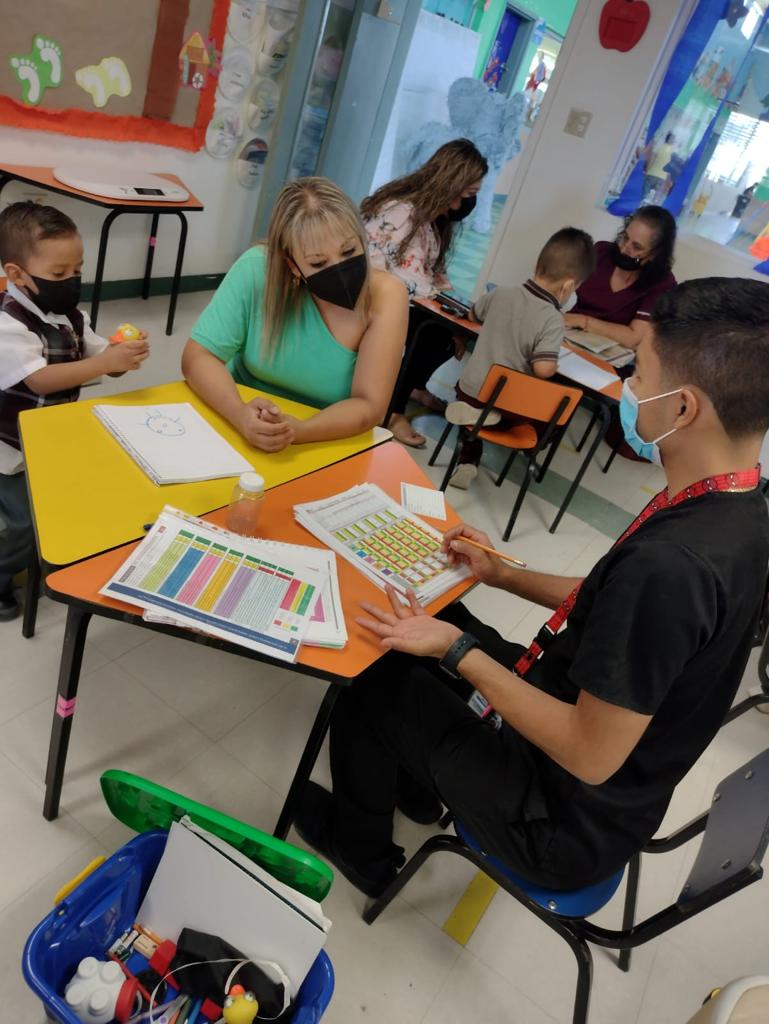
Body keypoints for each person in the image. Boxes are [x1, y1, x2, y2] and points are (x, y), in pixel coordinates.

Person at [294, 276, 769, 899]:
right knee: (448, 614)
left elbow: (589, 752)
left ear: (683, 409)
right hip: (588, 745)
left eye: (640, 374)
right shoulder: (740, 506)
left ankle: (362, 851)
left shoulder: (673, 567)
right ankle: (419, 781)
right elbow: (617, 603)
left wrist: (455, 652)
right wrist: (503, 573)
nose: (628, 389)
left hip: (558, 819)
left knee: (377, 672)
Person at [0, 202, 149, 621]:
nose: (72, 281)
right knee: (19, 522)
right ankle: (2, 574)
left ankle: (44, 556)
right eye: (59, 273)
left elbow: (98, 356)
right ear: (17, 274)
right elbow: (39, 380)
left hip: (50, 438)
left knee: (57, 504)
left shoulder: (70, 316)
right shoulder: (8, 325)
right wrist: (104, 364)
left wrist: (121, 355)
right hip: (8, 450)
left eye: (78, 270)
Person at [183, 177, 407, 452]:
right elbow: (198, 357)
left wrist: (299, 431)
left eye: (349, 250)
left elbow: (369, 406)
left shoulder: (387, 295)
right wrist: (240, 414)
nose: (339, 268)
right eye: (318, 262)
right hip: (237, 419)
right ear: (292, 265)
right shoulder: (255, 270)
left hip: (326, 437)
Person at [445, 227, 596, 489]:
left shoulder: (501, 293)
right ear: (569, 286)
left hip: (470, 391)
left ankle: (468, 459)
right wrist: (555, 362)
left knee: (471, 412)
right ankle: (507, 430)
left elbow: (473, 315)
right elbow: (543, 369)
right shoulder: (552, 319)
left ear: (537, 265)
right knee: (545, 413)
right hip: (507, 404)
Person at [361, 140, 488, 447]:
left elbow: (433, 272)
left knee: (449, 335)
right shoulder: (402, 212)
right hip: (369, 297)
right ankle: (392, 410)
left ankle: (414, 387)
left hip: (396, 297)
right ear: (450, 184)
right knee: (431, 333)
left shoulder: (431, 221)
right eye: (466, 195)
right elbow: (412, 282)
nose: (464, 205)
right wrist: (449, 315)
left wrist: (456, 310)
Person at [564, 205, 677, 351]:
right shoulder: (601, 252)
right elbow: (560, 283)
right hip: (569, 335)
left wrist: (583, 321)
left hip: (612, 353)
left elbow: (633, 338)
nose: (623, 249)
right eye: (625, 237)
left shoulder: (662, 283)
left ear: (655, 254)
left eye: (637, 247)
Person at [643, 132, 675, 201]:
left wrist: (647, 170)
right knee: (654, 199)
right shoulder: (672, 152)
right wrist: (668, 182)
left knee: (644, 195)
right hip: (662, 178)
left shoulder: (659, 147)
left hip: (651, 173)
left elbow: (652, 160)